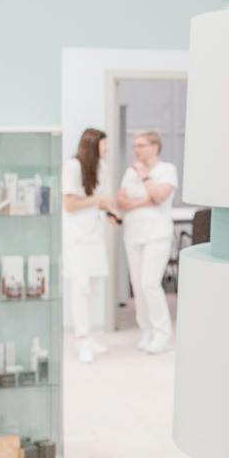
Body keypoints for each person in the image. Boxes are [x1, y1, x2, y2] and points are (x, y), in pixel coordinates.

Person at [115, 130, 179, 354]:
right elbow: (122, 201)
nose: (136, 150)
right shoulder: (129, 172)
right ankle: (147, 331)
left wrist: (144, 178)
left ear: (155, 147)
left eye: (141, 145)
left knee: (149, 283)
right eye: (135, 146)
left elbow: (161, 197)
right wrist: (146, 200)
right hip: (133, 235)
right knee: (138, 287)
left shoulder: (167, 170)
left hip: (157, 234)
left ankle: (162, 334)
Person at [61, 128, 117, 364]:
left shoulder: (101, 168)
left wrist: (111, 213)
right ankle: (81, 340)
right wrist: (99, 201)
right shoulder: (72, 167)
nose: (107, 150)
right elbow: (70, 204)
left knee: (94, 288)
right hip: (77, 238)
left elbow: (99, 202)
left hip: (94, 235)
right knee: (80, 288)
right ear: (92, 146)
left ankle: (90, 335)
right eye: (103, 147)